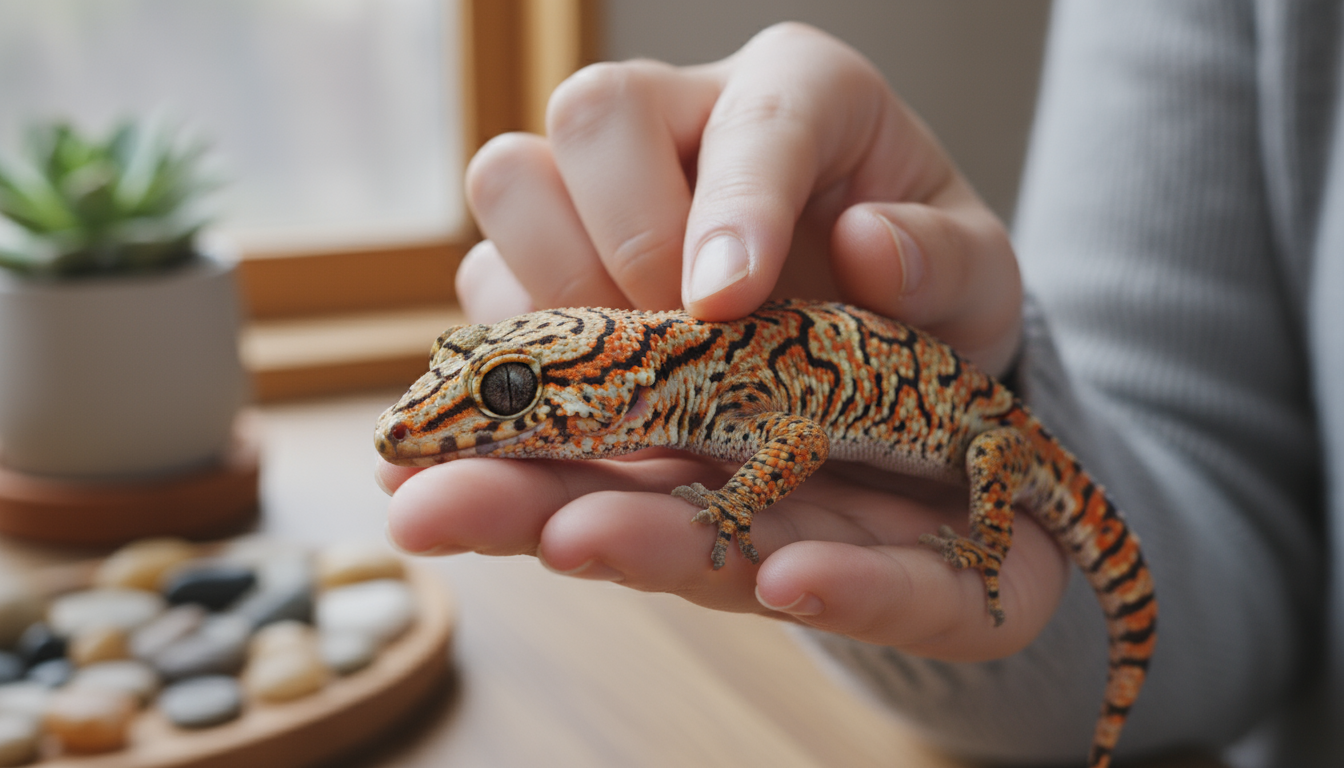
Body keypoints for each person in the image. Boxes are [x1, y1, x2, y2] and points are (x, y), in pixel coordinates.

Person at [376, 2, 1339, 764]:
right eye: (472, 379)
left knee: (995, 454)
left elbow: (791, 446)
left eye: (506, 394)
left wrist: (758, 508)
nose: (443, 417)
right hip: (1049, 490)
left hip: (990, 444)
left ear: (614, 385)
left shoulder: (720, 394)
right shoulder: (697, 376)